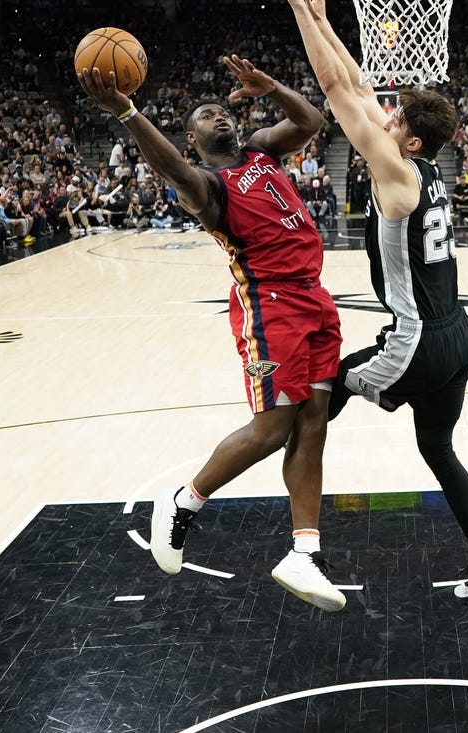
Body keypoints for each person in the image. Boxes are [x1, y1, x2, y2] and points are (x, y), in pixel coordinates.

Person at [78, 52, 346, 612]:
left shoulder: (260, 151)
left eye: (221, 110)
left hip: (315, 299)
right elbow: (173, 169)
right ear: (192, 138)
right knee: (274, 427)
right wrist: (127, 111)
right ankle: (184, 502)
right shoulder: (207, 186)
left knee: (314, 423)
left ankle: (303, 552)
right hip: (269, 305)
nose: (218, 116)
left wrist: (269, 87)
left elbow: (310, 123)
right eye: (205, 115)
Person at [289, 0, 468, 604]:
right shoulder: (426, 169)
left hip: (416, 339)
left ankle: (301, 548)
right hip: (460, 337)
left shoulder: (397, 174)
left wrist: (296, 9)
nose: (382, 119)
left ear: (410, 139)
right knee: (437, 447)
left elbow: (338, 87)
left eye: (393, 122)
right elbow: (359, 85)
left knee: (318, 396)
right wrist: (322, 19)